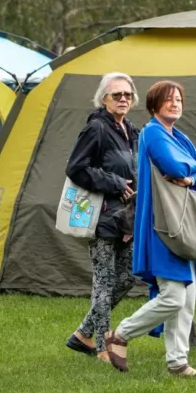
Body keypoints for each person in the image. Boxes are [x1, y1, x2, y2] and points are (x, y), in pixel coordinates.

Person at [103, 80, 196, 377]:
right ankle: (120, 334)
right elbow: (175, 167)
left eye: (178, 99)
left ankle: (178, 362)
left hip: (184, 226)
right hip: (163, 228)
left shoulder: (180, 137)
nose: (175, 103)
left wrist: (191, 177)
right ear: (154, 105)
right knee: (173, 296)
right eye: (168, 99)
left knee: (186, 297)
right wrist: (192, 171)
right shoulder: (153, 133)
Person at [63, 73, 141, 359]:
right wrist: (115, 183)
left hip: (127, 217)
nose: (122, 99)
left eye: (127, 95)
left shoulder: (131, 130)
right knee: (105, 281)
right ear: (103, 98)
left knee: (128, 277)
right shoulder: (96, 128)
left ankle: (83, 333)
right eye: (116, 94)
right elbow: (76, 168)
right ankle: (101, 345)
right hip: (101, 215)